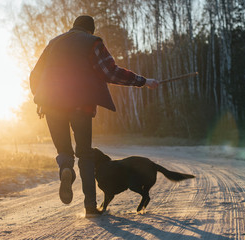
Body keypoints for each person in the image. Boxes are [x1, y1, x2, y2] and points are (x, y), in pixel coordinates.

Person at [30, 15, 159, 217]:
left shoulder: (54, 43)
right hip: (80, 106)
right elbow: (110, 72)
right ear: (90, 30)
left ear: (73, 27)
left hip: (52, 105)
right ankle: (90, 206)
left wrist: (40, 99)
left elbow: (35, 74)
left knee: (64, 150)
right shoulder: (93, 42)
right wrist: (143, 81)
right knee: (85, 154)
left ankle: (67, 170)